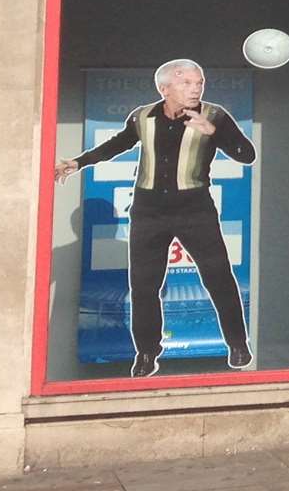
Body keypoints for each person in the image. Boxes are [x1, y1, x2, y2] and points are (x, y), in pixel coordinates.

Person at [55, 59, 256, 376]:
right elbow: (117, 144)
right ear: (164, 89)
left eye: (198, 82)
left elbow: (247, 155)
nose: (195, 89)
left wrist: (214, 133)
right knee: (144, 286)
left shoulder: (214, 115)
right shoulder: (142, 116)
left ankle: (238, 343)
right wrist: (78, 163)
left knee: (219, 277)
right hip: (149, 209)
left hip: (195, 206)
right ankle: (147, 353)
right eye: (186, 83)